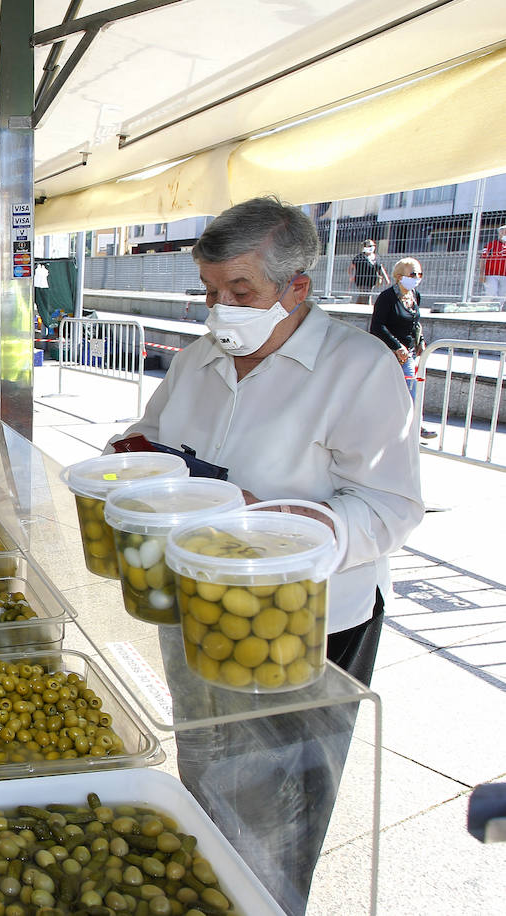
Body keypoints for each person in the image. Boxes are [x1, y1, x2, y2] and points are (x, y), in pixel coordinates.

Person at [112, 196, 423, 915]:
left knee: (282, 803)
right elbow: (147, 435)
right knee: (209, 761)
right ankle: (206, 889)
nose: (220, 309)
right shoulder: (198, 362)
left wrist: (282, 525)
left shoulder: (358, 369)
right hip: (196, 602)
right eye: (209, 292)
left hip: (307, 623)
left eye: (239, 293)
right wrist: (132, 463)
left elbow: (393, 506)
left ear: (297, 288)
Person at [370, 257, 436, 440]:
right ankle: (413, 427)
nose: (417, 277)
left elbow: (415, 321)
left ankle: (409, 426)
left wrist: (420, 340)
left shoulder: (415, 295)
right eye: (413, 274)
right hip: (390, 352)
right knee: (408, 389)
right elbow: (377, 326)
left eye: (419, 274)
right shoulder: (387, 298)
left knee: (406, 389)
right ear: (399, 276)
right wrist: (396, 347)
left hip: (409, 352)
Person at [346, 238, 389, 305]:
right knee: (367, 295)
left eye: (372, 246)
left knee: (363, 295)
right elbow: (351, 267)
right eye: (369, 246)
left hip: (372, 281)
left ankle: (356, 306)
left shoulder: (376, 257)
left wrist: (386, 279)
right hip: (361, 280)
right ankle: (367, 308)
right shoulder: (359, 257)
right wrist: (351, 276)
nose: (371, 247)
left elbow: (380, 268)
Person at [480, 224, 506, 302]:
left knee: (503, 295)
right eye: (503, 232)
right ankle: (482, 307)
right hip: (491, 274)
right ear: (499, 233)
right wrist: (481, 274)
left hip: (504, 275)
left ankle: (497, 310)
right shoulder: (491, 245)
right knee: (491, 293)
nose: (504, 234)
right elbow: (483, 258)